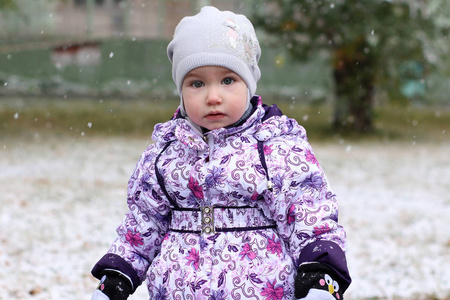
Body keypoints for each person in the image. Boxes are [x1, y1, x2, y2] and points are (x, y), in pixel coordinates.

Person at [90, 6, 351, 300]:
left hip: (262, 291)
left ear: (249, 83)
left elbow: (308, 215)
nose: (213, 97)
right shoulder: (165, 154)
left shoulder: (276, 147)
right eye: (197, 83)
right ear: (181, 90)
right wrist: (116, 276)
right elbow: (143, 225)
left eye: (228, 80)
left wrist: (320, 273)